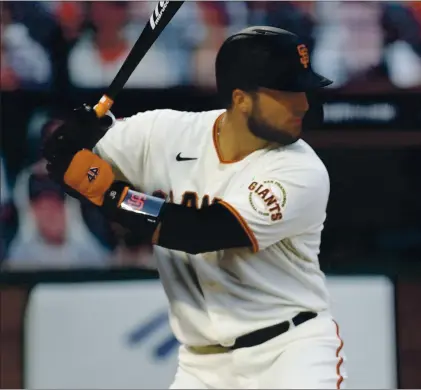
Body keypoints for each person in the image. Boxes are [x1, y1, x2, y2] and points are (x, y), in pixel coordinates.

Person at [42, 26, 347, 389]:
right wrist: (73, 138)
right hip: (202, 365)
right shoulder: (166, 132)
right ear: (242, 98)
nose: (304, 104)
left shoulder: (301, 170)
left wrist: (110, 194)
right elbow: (71, 161)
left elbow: (203, 231)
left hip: (289, 352)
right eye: (288, 92)